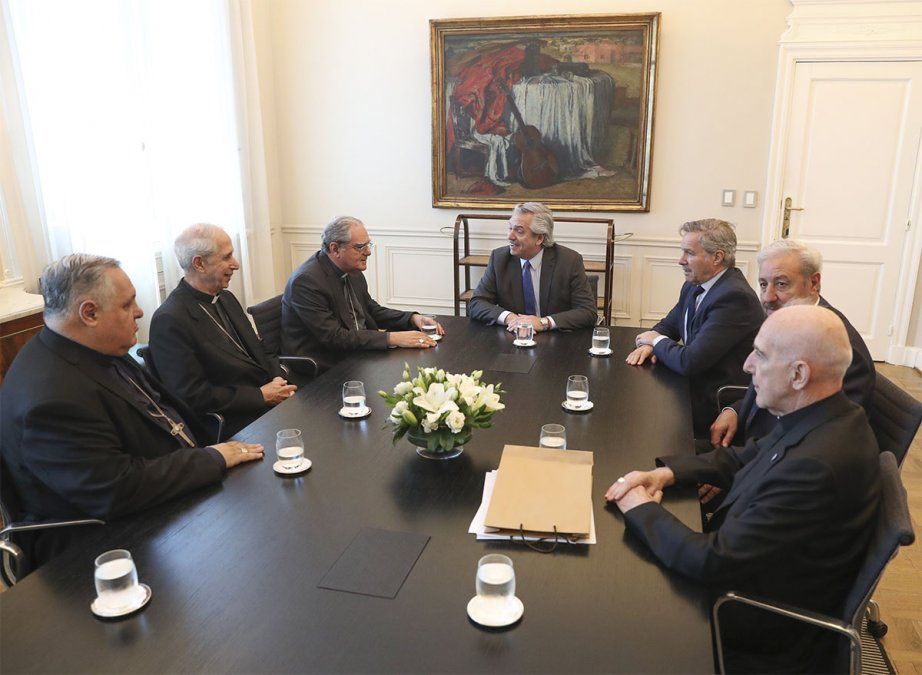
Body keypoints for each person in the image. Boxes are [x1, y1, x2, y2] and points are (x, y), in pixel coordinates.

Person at [606, 305, 881, 672]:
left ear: (799, 374)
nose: (747, 365)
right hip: (759, 577)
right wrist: (670, 474)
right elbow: (749, 454)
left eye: (761, 355)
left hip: (757, 626)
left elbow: (711, 561)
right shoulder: (827, 416)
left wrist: (640, 507)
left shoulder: (816, 467)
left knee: (611, 611)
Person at [0, 254, 263, 571]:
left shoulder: (96, 346)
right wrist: (214, 458)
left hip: (169, 492)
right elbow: (116, 489)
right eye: (127, 305)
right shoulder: (50, 399)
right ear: (90, 313)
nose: (139, 312)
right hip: (104, 546)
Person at [710, 239, 875, 449]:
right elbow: (773, 385)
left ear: (813, 284)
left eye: (781, 284)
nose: (768, 297)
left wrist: (735, 472)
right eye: (763, 284)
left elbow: (819, 440)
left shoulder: (839, 349)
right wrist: (735, 410)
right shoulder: (787, 320)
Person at [149, 224, 296, 438]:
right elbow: (191, 395)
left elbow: (259, 350)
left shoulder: (225, 297)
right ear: (199, 264)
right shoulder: (170, 320)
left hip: (269, 403)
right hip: (233, 421)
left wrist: (280, 380)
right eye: (226, 257)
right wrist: (260, 396)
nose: (235, 264)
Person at [626, 219, 763, 435]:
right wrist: (653, 341)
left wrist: (655, 341)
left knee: (636, 421)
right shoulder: (694, 285)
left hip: (714, 403)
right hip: (689, 386)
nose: (681, 261)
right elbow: (669, 325)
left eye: (689, 253)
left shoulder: (734, 298)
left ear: (717, 257)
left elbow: (690, 361)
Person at [281, 216, 443, 371]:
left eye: (368, 245)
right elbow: (334, 337)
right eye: (360, 247)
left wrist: (413, 318)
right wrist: (393, 338)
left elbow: (371, 310)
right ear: (335, 249)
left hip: (357, 353)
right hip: (327, 365)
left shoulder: (351, 269)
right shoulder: (306, 282)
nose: (368, 252)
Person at [468, 202, 597, 332]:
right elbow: (476, 303)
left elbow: (587, 312)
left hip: (557, 342)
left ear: (539, 238)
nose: (510, 236)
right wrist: (510, 318)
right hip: (513, 338)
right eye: (510, 228)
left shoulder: (569, 261)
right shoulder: (500, 259)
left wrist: (544, 322)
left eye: (519, 231)